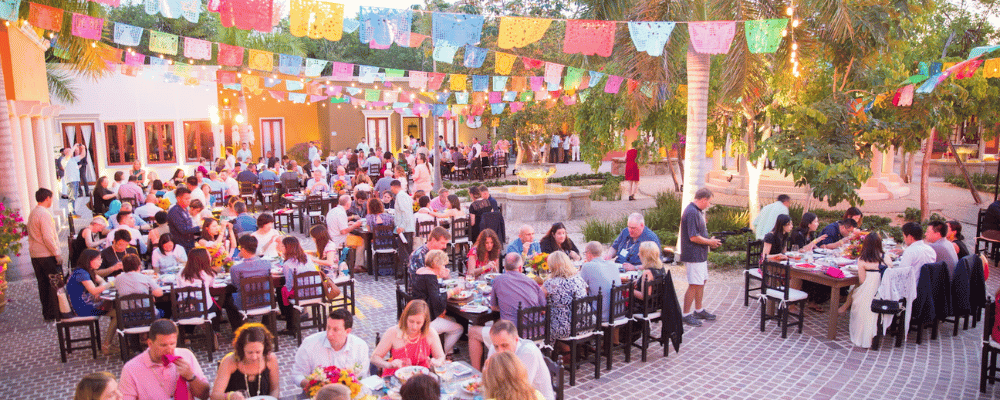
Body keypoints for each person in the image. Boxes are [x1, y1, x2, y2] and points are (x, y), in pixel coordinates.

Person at [468, 253, 546, 371]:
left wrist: (506, 307)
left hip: (515, 337)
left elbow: (493, 307)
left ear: (504, 267)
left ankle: (477, 373)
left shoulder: (498, 280)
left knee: (472, 331)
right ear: (520, 268)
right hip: (538, 333)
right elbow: (543, 309)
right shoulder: (532, 281)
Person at [118, 319, 210, 400]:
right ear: (150, 343)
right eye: (163, 345)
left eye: (172, 343)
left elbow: (204, 395)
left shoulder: (186, 355)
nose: (169, 349)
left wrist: (191, 376)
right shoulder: (131, 369)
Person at [293, 308, 371, 390]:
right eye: (328, 328)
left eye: (335, 330)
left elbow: (363, 378)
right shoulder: (309, 343)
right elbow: (297, 374)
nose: (329, 334)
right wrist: (312, 384)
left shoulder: (360, 346)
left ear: (347, 331)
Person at [839, 233, 891, 348]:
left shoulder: (862, 259)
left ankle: (845, 310)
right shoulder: (885, 257)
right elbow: (890, 274)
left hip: (869, 291)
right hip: (884, 292)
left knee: (854, 291)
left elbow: (862, 281)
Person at [371, 300, 446, 377]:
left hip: (421, 377)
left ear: (424, 322)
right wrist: (388, 364)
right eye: (411, 321)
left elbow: (441, 356)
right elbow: (374, 358)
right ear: (405, 318)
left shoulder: (430, 332)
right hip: (397, 376)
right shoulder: (392, 332)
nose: (414, 327)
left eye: (418, 323)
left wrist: (437, 362)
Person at [680, 188, 722, 327]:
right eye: (709, 202)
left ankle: (699, 310)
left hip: (700, 255)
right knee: (694, 284)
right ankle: (686, 314)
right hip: (693, 255)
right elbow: (693, 237)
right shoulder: (692, 212)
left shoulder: (696, 211)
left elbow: (698, 234)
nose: (709, 205)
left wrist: (710, 240)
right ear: (703, 199)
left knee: (701, 281)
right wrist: (709, 242)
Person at [409, 250, 464, 355]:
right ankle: (440, 353)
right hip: (427, 320)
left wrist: (440, 275)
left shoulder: (421, 272)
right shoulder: (430, 277)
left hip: (420, 313)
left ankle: (449, 352)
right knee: (459, 329)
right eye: (443, 265)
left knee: (452, 319)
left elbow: (431, 292)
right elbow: (437, 301)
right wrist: (453, 291)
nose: (444, 267)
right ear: (436, 264)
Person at [486, 321, 555, 400]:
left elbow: (520, 390)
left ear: (516, 339)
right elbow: (489, 377)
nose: (500, 351)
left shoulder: (529, 353)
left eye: (504, 345)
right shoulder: (496, 345)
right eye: (496, 346)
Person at [210, 323, 281, 400]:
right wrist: (230, 396)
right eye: (250, 352)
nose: (254, 357)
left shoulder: (270, 359)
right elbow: (214, 395)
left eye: (258, 352)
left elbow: (275, 389)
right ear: (241, 349)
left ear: (265, 348)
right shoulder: (230, 361)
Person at [542, 252, 587, 340]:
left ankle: (553, 350)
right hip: (585, 323)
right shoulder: (578, 278)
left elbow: (538, 301)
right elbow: (585, 293)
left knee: (542, 320)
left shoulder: (550, 283)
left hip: (565, 328)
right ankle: (567, 350)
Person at [278, 236, 319, 328]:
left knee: (282, 290)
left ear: (287, 248)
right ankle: (296, 313)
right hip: (317, 291)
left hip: (302, 295)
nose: (281, 248)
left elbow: (289, 285)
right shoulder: (307, 257)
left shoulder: (287, 264)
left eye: (282, 246)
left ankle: (289, 320)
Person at [579, 242, 619, 321]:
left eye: (585, 253)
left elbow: (580, 289)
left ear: (589, 253)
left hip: (600, 314)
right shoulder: (613, 265)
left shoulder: (587, 266)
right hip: (618, 312)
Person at [66, 249, 112, 318]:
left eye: (101, 259)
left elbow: (101, 281)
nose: (101, 262)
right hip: (82, 309)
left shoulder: (86, 270)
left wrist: (98, 291)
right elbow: (93, 291)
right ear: (88, 260)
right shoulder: (81, 273)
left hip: (87, 304)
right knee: (115, 310)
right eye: (98, 259)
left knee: (114, 307)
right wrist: (112, 283)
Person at [393, 180, 416, 262]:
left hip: (404, 228)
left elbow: (405, 212)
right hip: (407, 227)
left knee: (404, 253)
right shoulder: (405, 195)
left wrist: (402, 226)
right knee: (407, 251)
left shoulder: (400, 196)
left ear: (394, 187)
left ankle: (405, 271)